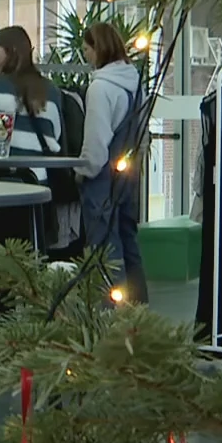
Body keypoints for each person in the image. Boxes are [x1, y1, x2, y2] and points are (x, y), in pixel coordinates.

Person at [0, 26, 64, 251]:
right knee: (32, 254)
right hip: (38, 185)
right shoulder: (51, 91)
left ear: (9, 52)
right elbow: (55, 138)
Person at [77, 21, 147, 303]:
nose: (86, 57)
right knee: (129, 242)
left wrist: (82, 172)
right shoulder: (135, 84)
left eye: (87, 50)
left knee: (105, 249)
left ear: (99, 49)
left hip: (102, 179)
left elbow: (95, 143)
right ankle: (139, 313)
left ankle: (110, 318)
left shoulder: (100, 89)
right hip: (128, 174)